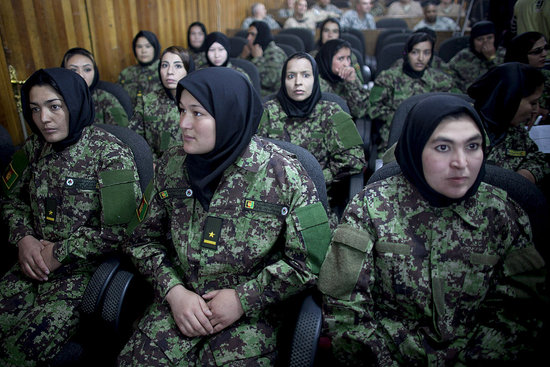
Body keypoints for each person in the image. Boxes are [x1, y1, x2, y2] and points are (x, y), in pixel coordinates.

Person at [117, 67, 331, 366]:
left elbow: (314, 259)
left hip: (249, 320)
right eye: (181, 111)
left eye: (197, 113)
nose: (183, 124)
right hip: (178, 308)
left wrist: (245, 297)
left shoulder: (284, 174)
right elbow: (139, 239)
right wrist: (174, 291)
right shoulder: (171, 164)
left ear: (230, 115)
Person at [318, 94, 547, 366]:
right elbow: (344, 308)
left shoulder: (504, 213)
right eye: (443, 148)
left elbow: (520, 315)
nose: (461, 162)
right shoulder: (371, 207)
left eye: (472, 146)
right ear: (416, 148)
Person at [0, 68, 141, 366]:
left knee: (15, 354)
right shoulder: (33, 148)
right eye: (35, 110)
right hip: (29, 264)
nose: (44, 119)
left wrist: (60, 252)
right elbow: (10, 198)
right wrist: (23, 237)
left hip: (78, 278)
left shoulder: (111, 154)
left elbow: (122, 231)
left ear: (74, 104)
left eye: (54, 107)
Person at [257, 52, 366, 222]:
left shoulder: (333, 112)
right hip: (271, 198)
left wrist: (318, 178)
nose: (298, 82)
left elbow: (354, 160)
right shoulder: (267, 111)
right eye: (291, 76)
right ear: (283, 80)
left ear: (315, 79)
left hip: (315, 199)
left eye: (306, 75)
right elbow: (251, 155)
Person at [368, 32, 458, 155]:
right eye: (415, 52)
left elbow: (461, 106)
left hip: (434, 137)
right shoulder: (388, 77)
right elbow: (372, 108)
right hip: (397, 139)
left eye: (426, 53)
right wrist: (398, 117)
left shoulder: (442, 81)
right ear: (406, 53)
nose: (421, 58)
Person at [467, 62, 550, 185]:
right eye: (533, 103)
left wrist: (525, 175)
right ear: (510, 99)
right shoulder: (460, 125)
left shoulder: (514, 130)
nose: (536, 110)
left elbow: (537, 158)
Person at [129, 46, 193, 164]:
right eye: (164, 65)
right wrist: (151, 163)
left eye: (178, 66)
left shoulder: (199, 101)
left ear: (188, 69)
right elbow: (135, 139)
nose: (170, 71)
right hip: (157, 168)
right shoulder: (147, 101)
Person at [61, 47, 129, 127]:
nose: (81, 75)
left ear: (95, 72)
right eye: (73, 70)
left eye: (87, 69)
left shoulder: (104, 98)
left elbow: (123, 134)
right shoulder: (57, 100)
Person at [315, 39, 370, 119]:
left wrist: (351, 83)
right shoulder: (315, 80)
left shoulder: (350, 75)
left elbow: (360, 111)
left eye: (348, 58)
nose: (346, 64)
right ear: (328, 59)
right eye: (341, 59)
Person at [447, 20, 505, 93]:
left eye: (489, 38)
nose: (485, 42)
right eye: (480, 39)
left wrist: (491, 58)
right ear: (473, 41)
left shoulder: (503, 54)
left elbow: (504, 79)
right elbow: (448, 73)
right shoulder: (464, 56)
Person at [505, 31, 550, 117]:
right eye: (537, 51)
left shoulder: (546, 76)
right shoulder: (507, 80)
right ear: (521, 54)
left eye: (546, 48)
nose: (544, 54)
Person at [240, 21, 287, 96]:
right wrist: (242, 57)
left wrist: (258, 59)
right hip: (252, 91)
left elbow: (269, 81)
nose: (248, 38)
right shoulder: (250, 49)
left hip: (271, 97)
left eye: (252, 34)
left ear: (261, 35)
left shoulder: (275, 53)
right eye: (248, 34)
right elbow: (238, 73)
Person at [118, 30, 163, 108]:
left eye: (148, 46)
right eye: (139, 46)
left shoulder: (165, 70)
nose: (143, 51)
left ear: (155, 48)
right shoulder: (126, 73)